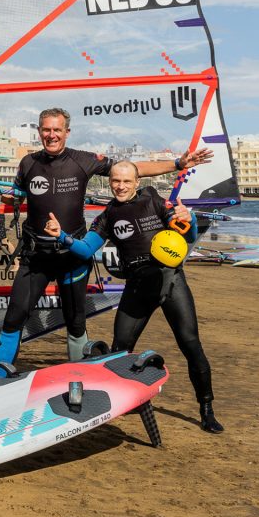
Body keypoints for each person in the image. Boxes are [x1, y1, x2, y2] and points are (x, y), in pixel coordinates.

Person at [0, 107, 212, 370]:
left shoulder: (83, 160)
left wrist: (178, 164)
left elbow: (131, 170)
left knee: (75, 322)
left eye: (57, 130)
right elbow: (16, 198)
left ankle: (78, 375)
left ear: (67, 132)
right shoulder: (28, 163)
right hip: (36, 256)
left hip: (72, 257)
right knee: (14, 317)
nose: (51, 135)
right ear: (39, 131)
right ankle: (0, 377)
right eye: (46, 130)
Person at [43, 161, 224, 433]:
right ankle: (118, 401)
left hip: (170, 281)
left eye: (126, 181)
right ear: (110, 182)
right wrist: (63, 237)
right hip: (138, 287)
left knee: (190, 345)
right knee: (119, 350)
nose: (120, 186)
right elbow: (86, 249)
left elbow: (187, 236)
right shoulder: (108, 216)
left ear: (137, 182)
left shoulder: (153, 200)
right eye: (116, 181)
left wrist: (191, 219)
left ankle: (207, 409)